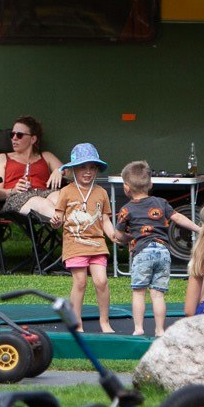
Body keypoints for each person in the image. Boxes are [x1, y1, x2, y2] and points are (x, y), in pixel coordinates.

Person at [116, 160, 202, 337]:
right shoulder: (161, 203)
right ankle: (160, 330)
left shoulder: (126, 209)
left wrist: (127, 238)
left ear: (126, 187)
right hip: (163, 251)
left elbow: (118, 235)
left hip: (143, 252)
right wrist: (199, 229)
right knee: (158, 294)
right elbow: (178, 218)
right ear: (151, 184)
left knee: (139, 292)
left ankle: (139, 328)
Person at [53, 143, 121, 335]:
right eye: (83, 167)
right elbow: (58, 218)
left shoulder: (101, 192)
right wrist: (56, 222)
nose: (88, 172)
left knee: (101, 281)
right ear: (73, 169)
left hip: (97, 243)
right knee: (80, 281)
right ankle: (77, 322)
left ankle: (104, 321)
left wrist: (113, 234)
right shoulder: (66, 191)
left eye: (92, 168)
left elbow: (105, 219)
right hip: (74, 243)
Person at [0, 115, 68, 225]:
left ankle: (79, 231)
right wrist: (12, 191)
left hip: (46, 193)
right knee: (42, 203)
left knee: (60, 198)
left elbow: (72, 175)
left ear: (33, 139)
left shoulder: (46, 156)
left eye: (19, 135)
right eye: (12, 134)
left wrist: (60, 170)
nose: (14, 138)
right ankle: (76, 229)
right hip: (18, 199)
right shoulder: (3, 158)